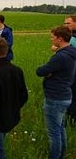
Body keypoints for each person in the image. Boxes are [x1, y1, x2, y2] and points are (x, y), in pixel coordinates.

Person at [36, 26, 76, 159]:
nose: (51, 39)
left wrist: (49, 72)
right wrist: (50, 72)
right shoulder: (71, 51)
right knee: (60, 129)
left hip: (55, 98)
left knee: (54, 133)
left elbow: (40, 71)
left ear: (60, 38)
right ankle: (61, 155)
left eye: (52, 37)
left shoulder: (61, 57)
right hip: (65, 95)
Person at [64, 15, 76, 125]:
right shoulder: (70, 36)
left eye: (68, 23)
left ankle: (72, 119)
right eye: (65, 23)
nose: (66, 26)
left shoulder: (73, 37)